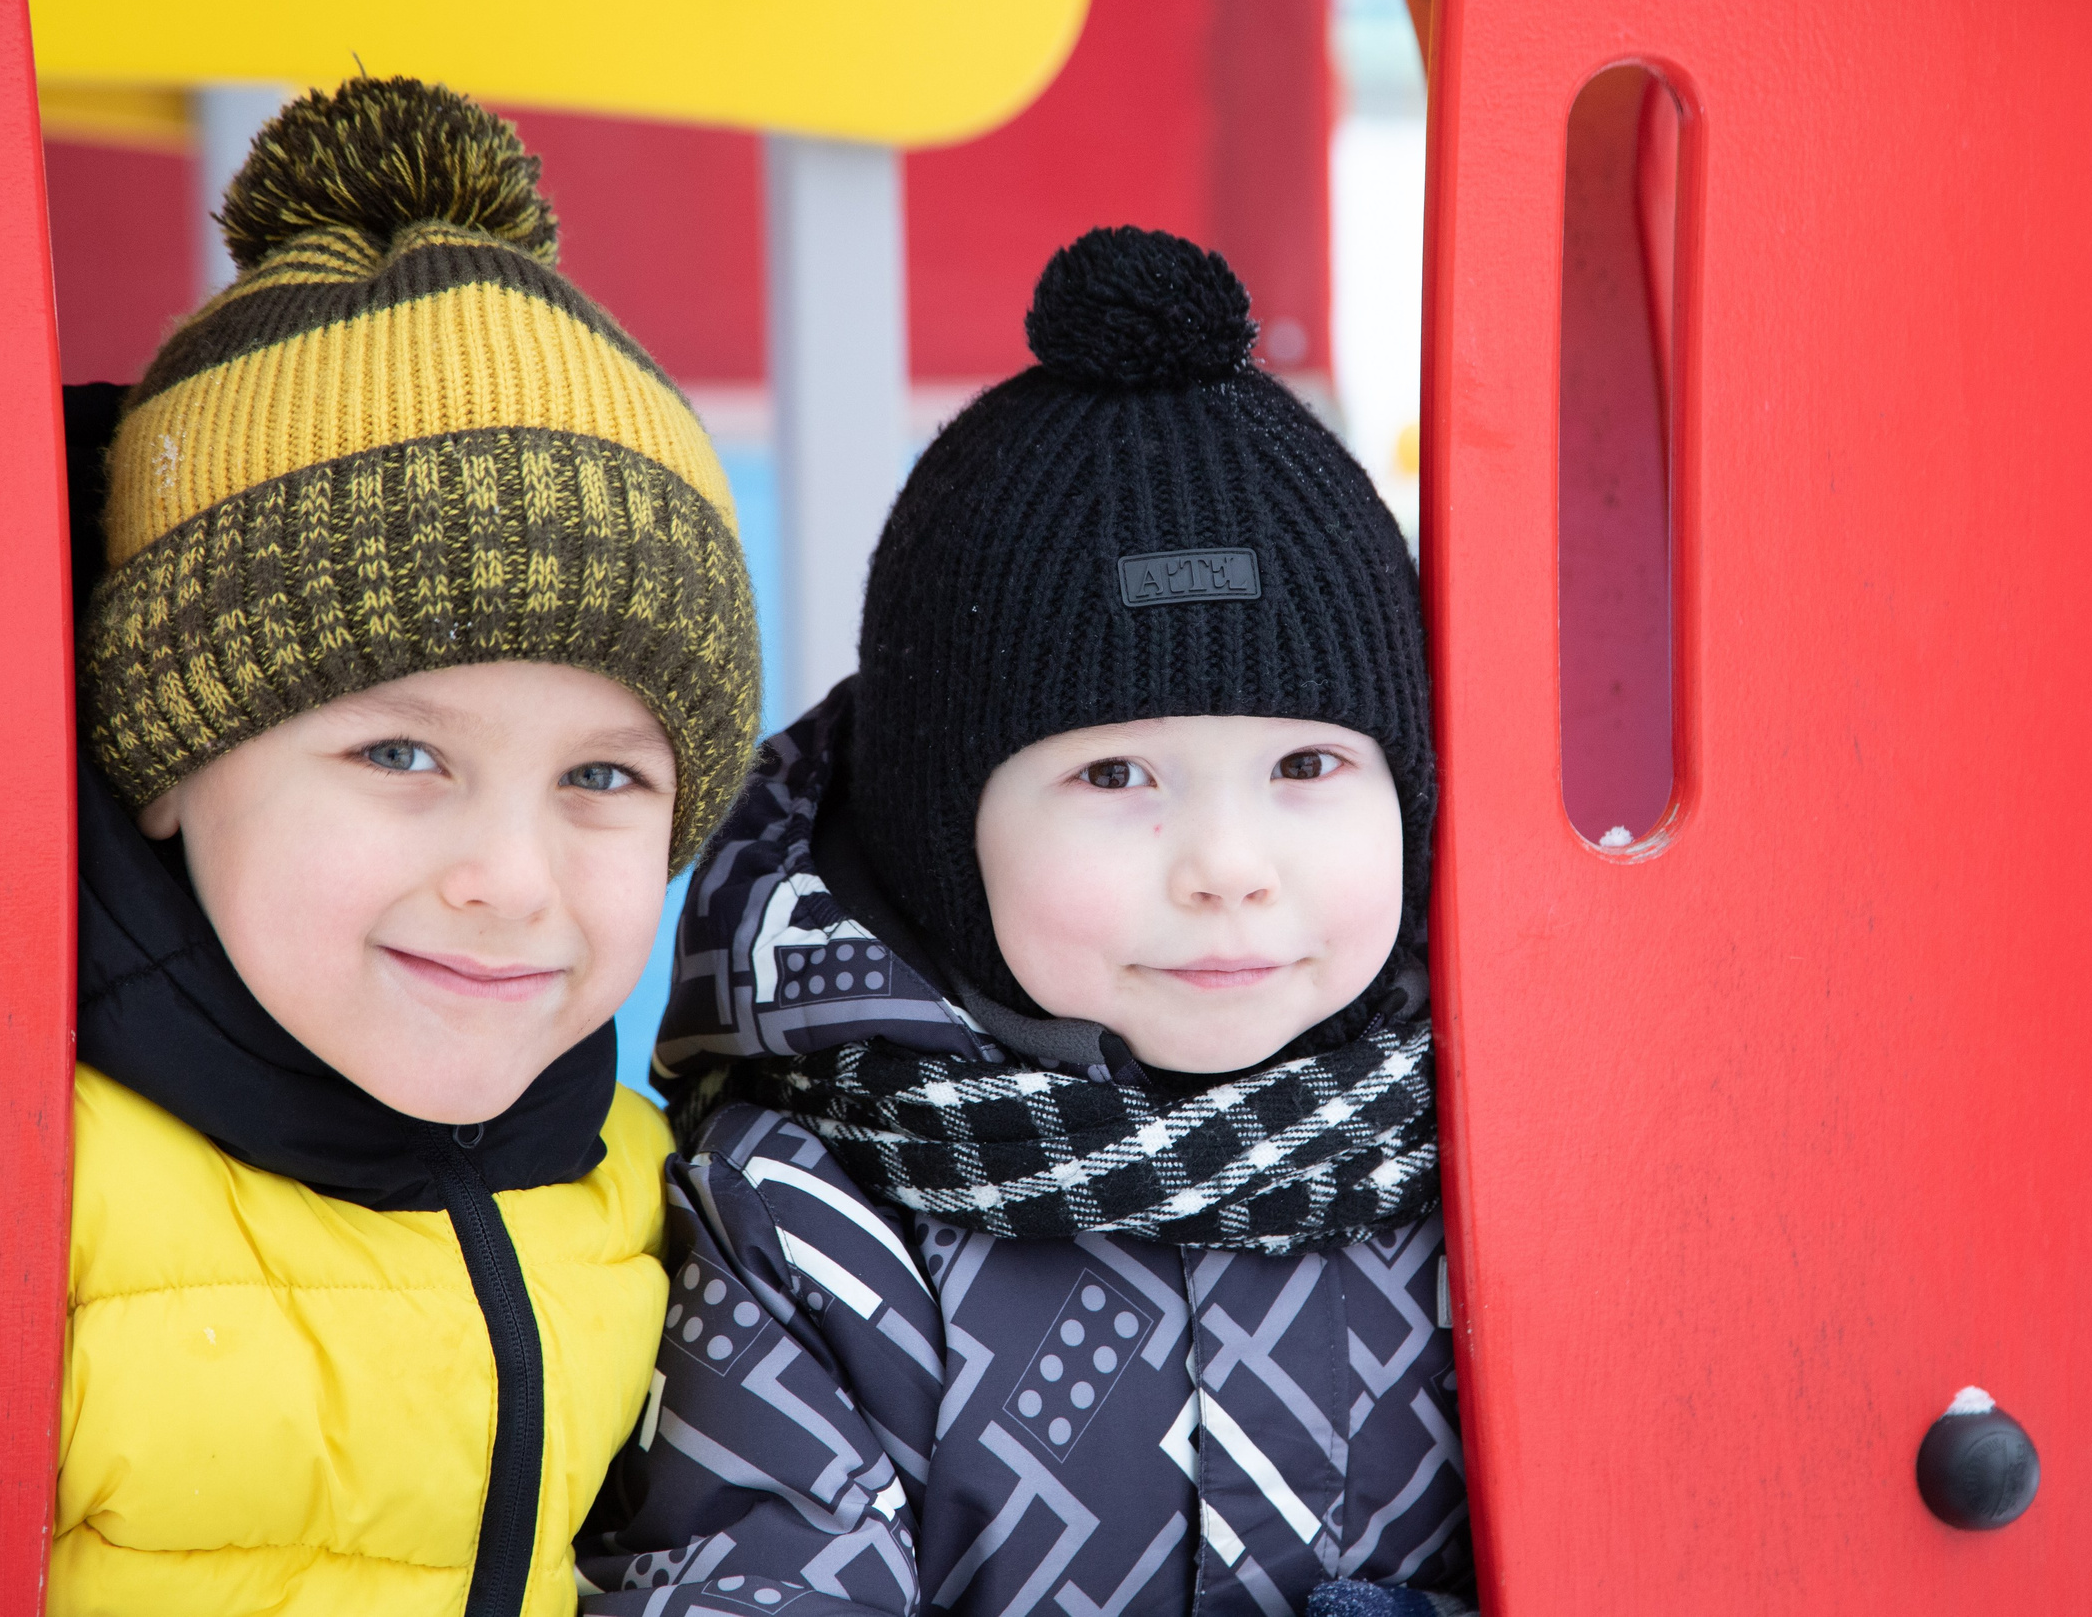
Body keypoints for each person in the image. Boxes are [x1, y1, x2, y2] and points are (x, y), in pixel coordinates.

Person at [578, 229, 1471, 1616]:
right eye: (1116, 776)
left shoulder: (1486, 1169)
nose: (1228, 866)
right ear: (941, 832)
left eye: (1307, 769)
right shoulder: (815, 1217)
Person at [20, 77, 758, 1614]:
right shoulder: (5, 1191)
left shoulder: (636, 1192)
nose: (510, 875)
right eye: (400, 753)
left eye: (605, 778)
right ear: (167, 764)